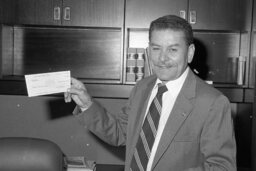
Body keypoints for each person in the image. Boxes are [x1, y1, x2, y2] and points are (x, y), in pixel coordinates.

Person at [64, 15, 236, 171]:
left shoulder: (213, 102)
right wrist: (87, 104)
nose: (162, 58)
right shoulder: (142, 88)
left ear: (190, 53)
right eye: (156, 48)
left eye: (173, 50)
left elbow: (222, 167)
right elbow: (121, 134)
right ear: (148, 50)